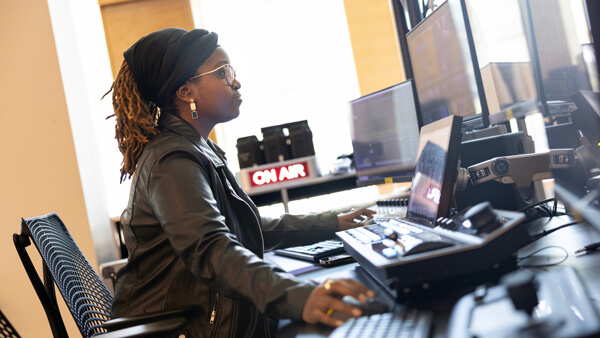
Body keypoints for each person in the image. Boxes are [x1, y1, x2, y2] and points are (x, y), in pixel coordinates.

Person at [104, 27, 377, 337]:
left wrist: (335, 222)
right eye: (224, 73)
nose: (236, 81)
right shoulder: (172, 161)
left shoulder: (196, 149)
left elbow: (246, 228)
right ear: (185, 91)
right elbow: (212, 250)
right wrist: (300, 297)